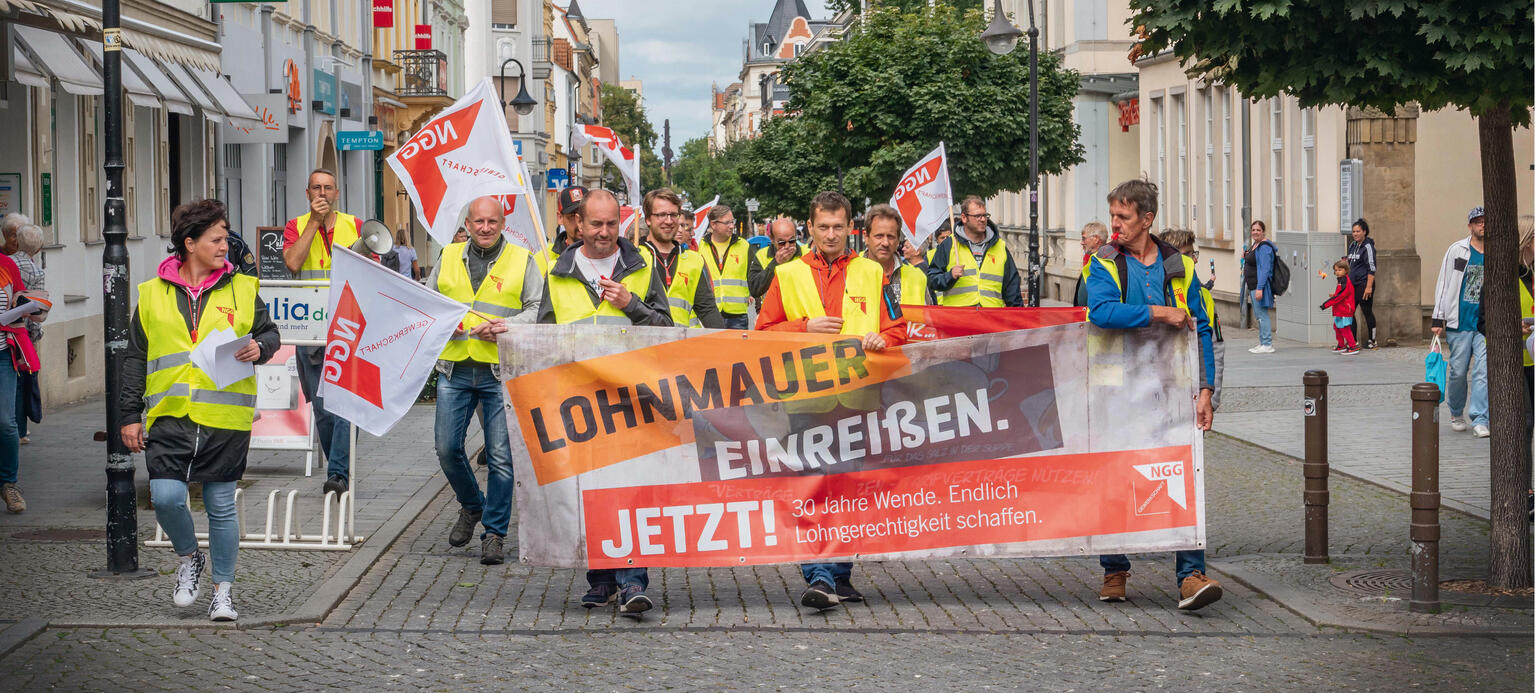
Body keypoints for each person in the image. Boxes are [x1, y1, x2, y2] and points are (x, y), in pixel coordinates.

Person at [120, 199, 282, 621]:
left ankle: (223, 592)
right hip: (170, 415)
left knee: (221, 505)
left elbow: (270, 334)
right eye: (216, 238)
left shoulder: (242, 288)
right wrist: (129, 415)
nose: (225, 245)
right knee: (167, 497)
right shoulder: (151, 295)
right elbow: (136, 358)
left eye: (225, 237)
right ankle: (190, 556)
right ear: (189, 243)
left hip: (225, 419)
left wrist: (259, 347)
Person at [757, 190, 908, 611]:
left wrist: (883, 336)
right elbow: (762, 333)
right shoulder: (787, 274)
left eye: (838, 227)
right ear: (810, 228)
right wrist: (805, 327)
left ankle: (838, 575)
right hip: (805, 401)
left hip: (857, 400)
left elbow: (898, 329)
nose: (830, 234)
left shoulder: (870, 272)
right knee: (811, 488)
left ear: (850, 228)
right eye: (822, 227)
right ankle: (820, 575)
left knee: (847, 491)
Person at [1085, 179, 1222, 611]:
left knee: (1183, 473)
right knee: (1114, 476)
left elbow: (1200, 325)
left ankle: (1191, 575)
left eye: (1123, 217)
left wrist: (1205, 389)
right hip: (1116, 390)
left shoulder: (1178, 265)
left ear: (1147, 219)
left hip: (1171, 389)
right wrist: (1160, 312)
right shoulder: (1103, 262)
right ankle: (1115, 568)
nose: (1115, 225)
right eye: (1112, 216)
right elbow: (1102, 312)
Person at [538, 189, 672, 616]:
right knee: (591, 491)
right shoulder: (558, 272)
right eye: (595, 224)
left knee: (632, 490)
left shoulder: (641, 266)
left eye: (612, 224)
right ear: (578, 224)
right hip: (578, 400)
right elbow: (541, 336)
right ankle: (601, 580)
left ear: (623, 222)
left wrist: (630, 304)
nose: (603, 232)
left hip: (630, 397)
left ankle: (633, 581)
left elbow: (666, 327)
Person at [424, 196, 543, 565]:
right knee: (447, 449)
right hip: (454, 368)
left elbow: (539, 308)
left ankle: (494, 533)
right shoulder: (448, 256)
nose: (486, 228)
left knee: (501, 458)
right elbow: (428, 301)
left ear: (503, 222)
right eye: (479, 222)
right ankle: (472, 505)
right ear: (469, 223)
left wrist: (508, 327)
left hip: (500, 371)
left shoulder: (523, 260)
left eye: (492, 221)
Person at [281, 169, 357, 496]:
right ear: (307, 192)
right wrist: (313, 222)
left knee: (345, 406)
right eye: (316, 188)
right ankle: (338, 465)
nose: (322, 193)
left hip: (348, 328)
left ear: (337, 193)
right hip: (311, 330)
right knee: (324, 411)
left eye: (328, 188)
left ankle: (339, 474)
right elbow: (294, 263)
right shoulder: (295, 226)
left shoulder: (355, 225)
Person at [1431, 206, 1490, 438]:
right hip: (1459, 322)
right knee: (1458, 371)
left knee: (1482, 371)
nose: (1482, 225)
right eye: (1478, 222)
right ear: (1470, 226)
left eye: (1485, 221)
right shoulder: (1457, 250)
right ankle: (1456, 411)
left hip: (1485, 324)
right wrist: (1438, 318)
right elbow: (1444, 283)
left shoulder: (1496, 251)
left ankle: (1480, 418)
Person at [1161, 229, 1226, 410]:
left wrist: (1211, 396)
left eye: (1193, 253)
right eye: (1188, 254)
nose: (1194, 259)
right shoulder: (1157, 285)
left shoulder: (1202, 295)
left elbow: (1215, 347)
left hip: (1191, 393)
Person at [640, 189, 723, 328]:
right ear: (648, 219)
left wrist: (725, 344)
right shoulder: (633, 257)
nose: (668, 221)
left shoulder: (694, 260)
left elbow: (708, 310)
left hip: (679, 346)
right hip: (644, 346)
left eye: (673, 215)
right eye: (661, 215)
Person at [924, 196, 1023, 307]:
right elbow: (932, 280)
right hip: (959, 319)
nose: (983, 219)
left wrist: (1018, 318)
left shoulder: (1000, 246)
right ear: (964, 218)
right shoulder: (949, 245)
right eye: (977, 216)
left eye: (985, 215)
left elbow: (1012, 290)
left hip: (991, 319)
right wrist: (950, 276)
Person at [0, 238, 32, 514]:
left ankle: (9, 484)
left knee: (7, 423)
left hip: (2, 354)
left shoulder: (7, 265)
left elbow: (20, 301)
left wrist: (33, 306)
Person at [9, 225, 46, 445]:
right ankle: (20, 431)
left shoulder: (7, 263)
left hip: (5, 330)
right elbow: (37, 310)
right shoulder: (36, 272)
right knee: (21, 383)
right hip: (21, 333)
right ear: (39, 246)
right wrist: (33, 337)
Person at [864, 204, 931, 306]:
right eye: (879, 236)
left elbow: (928, 318)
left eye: (890, 237)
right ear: (866, 237)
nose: (885, 242)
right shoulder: (848, 274)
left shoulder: (917, 277)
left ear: (898, 240)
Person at [701, 205, 752, 329]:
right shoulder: (700, 247)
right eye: (727, 223)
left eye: (732, 221)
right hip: (710, 313)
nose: (731, 226)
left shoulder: (744, 245)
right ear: (713, 225)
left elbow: (753, 275)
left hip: (738, 315)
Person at [748, 217, 806, 305]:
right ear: (772, 239)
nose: (787, 246)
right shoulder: (762, 255)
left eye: (792, 241)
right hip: (772, 315)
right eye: (781, 242)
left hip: (801, 314)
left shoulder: (807, 254)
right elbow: (754, 289)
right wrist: (775, 263)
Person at [1243, 220, 1277, 353]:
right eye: (1253, 230)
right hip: (1253, 285)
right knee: (1259, 315)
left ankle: (1267, 344)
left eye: (1258, 230)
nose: (1255, 232)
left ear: (1263, 232)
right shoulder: (1255, 245)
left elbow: (1265, 269)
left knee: (1262, 315)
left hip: (1259, 286)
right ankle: (1262, 342)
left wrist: (1259, 288)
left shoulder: (1264, 247)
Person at [537, 186, 588, 274]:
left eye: (585, 215)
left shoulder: (608, 255)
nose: (580, 223)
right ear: (560, 218)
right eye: (572, 216)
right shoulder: (543, 258)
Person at [1346, 219, 1378, 349]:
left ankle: (1372, 340)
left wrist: (1369, 287)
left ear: (1364, 232)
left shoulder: (1368, 247)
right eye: (1353, 231)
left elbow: (1372, 267)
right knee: (1349, 311)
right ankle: (1353, 341)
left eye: (1358, 231)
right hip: (1352, 285)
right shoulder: (1352, 246)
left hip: (1364, 284)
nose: (1355, 234)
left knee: (1367, 311)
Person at [1321, 259, 1360, 355]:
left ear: (1346, 270)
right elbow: (1340, 295)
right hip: (1340, 309)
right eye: (1336, 270)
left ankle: (1352, 346)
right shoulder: (1341, 281)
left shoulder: (1345, 282)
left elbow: (1341, 296)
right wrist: (1334, 295)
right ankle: (1341, 345)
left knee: (1345, 328)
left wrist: (1325, 305)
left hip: (1345, 309)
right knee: (1337, 327)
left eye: (1339, 270)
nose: (1337, 272)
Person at [1073, 221, 1110, 308]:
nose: (1081, 242)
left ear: (1096, 239)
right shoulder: (1092, 258)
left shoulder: (1105, 262)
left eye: (1084, 238)